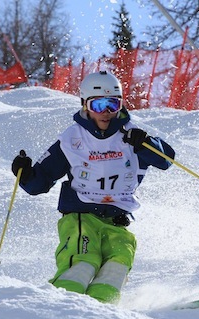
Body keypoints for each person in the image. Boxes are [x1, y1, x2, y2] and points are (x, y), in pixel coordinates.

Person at [12, 71, 175, 304]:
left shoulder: (131, 134)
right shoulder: (72, 139)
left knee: (120, 259)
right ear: (85, 105)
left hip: (118, 218)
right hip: (81, 215)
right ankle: (60, 302)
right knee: (84, 259)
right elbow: (40, 181)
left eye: (113, 104)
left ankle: (101, 307)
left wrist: (146, 143)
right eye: (98, 105)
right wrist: (26, 174)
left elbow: (166, 160)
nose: (106, 112)